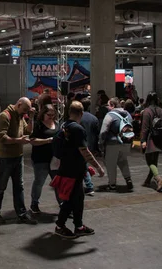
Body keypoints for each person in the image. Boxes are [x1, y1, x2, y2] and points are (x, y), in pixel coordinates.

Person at [52, 101, 105, 239]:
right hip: (73, 171)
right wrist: (98, 167)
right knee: (71, 200)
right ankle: (60, 225)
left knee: (77, 199)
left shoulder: (64, 125)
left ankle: (78, 226)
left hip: (68, 168)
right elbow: (84, 151)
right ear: (81, 113)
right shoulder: (78, 129)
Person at [0, 97, 37, 225]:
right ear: (19, 104)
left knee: (19, 186)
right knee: (1, 186)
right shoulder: (5, 116)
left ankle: (21, 213)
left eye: (27, 111)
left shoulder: (20, 116)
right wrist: (19, 141)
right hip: (4, 158)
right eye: (25, 110)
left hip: (18, 156)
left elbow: (28, 131)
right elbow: (1, 137)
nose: (25, 112)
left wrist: (31, 118)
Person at [29, 104, 59, 214]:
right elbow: (32, 141)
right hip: (40, 159)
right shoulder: (38, 125)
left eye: (53, 115)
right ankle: (34, 204)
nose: (51, 117)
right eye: (48, 115)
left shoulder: (56, 124)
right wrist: (48, 140)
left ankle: (62, 204)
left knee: (57, 183)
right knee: (39, 182)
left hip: (54, 159)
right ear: (43, 114)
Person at [99, 97, 134, 192]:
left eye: (108, 105)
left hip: (112, 143)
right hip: (125, 142)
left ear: (112, 105)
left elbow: (103, 131)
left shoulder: (109, 115)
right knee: (123, 162)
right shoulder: (127, 114)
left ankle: (112, 184)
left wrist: (101, 143)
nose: (107, 107)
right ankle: (128, 179)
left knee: (111, 164)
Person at [140, 92, 162, 191]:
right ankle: (147, 180)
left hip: (150, 138)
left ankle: (158, 179)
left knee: (149, 161)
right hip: (159, 138)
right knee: (154, 161)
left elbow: (145, 128)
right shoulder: (161, 110)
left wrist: (143, 140)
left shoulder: (147, 111)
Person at [79, 98, 100, 195]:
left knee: (83, 166)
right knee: (84, 165)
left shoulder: (78, 118)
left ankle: (89, 186)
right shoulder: (94, 118)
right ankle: (89, 185)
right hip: (90, 144)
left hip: (80, 145)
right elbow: (97, 134)